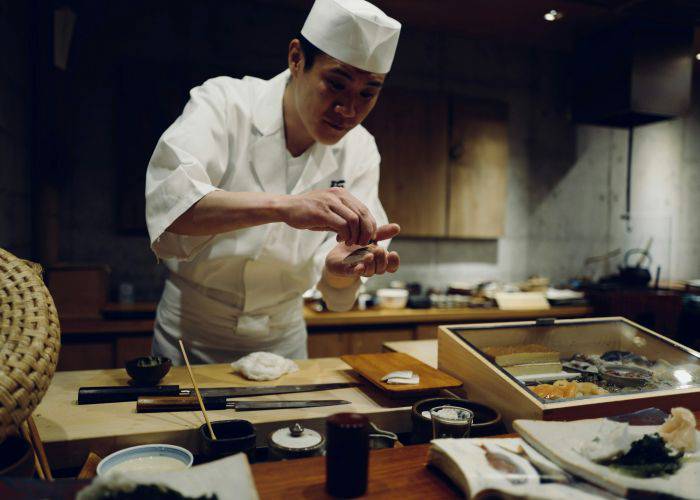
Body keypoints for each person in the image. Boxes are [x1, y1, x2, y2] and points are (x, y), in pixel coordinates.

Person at [145, 0, 402, 364]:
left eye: (367, 93)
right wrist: (286, 207)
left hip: (284, 341)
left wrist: (338, 272)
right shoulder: (224, 103)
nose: (348, 110)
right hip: (190, 336)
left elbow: (338, 281)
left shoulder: (361, 148)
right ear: (297, 59)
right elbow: (172, 208)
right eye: (336, 84)